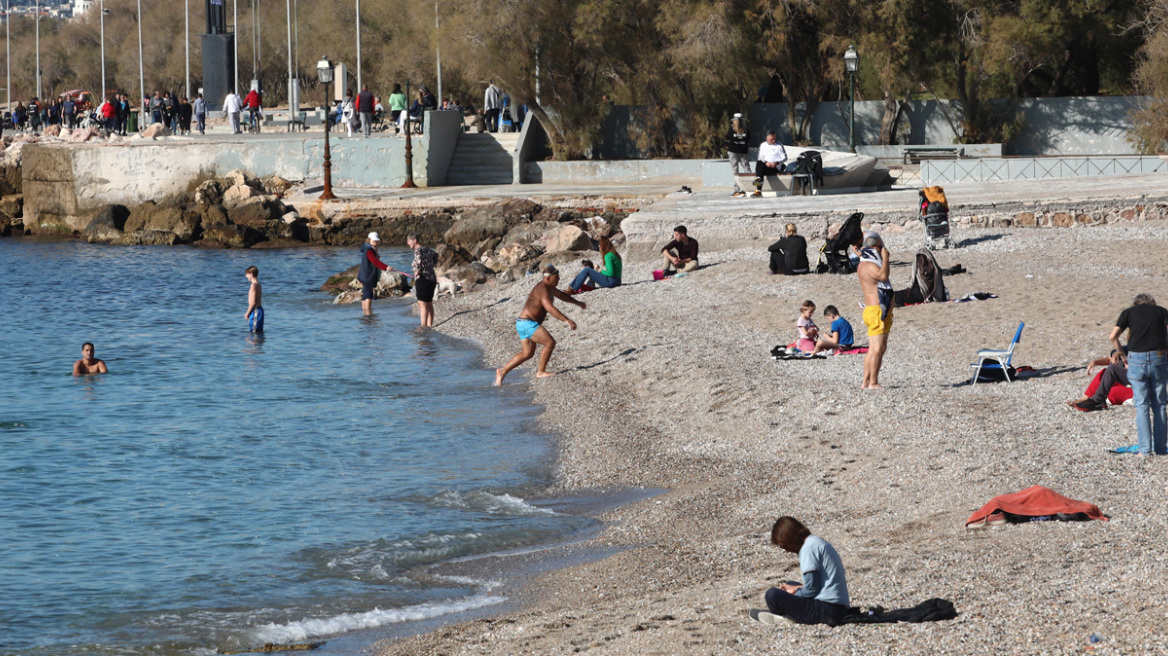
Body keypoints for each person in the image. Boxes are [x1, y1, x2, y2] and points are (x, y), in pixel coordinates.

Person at [494, 266, 584, 386]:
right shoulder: (543, 290)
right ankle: (540, 372)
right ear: (548, 278)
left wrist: (577, 302)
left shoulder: (549, 287)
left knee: (527, 354)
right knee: (549, 343)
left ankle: (502, 371)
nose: (559, 279)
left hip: (522, 323)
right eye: (556, 277)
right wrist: (566, 320)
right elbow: (550, 308)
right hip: (528, 323)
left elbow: (562, 295)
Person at [751, 516, 849, 626]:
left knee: (772, 595)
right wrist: (795, 589)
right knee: (790, 585)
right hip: (839, 608)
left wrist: (796, 593)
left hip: (827, 611)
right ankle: (786, 614)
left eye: (783, 546)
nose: (787, 551)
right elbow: (818, 585)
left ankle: (784, 617)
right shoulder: (815, 541)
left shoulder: (808, 549)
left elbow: (811, 591)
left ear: (789, 538)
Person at [1108, 294, 1168, 456]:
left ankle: (1145, 450)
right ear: (1152, 304)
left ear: (1135, 304)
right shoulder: (1162, 312)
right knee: (1160, 405)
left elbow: (1113, 336)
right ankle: (1161, 449)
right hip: (1159, 357)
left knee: (1142, 406)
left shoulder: (1128, 313)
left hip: (1137, 359)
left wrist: (1122, 354)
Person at [857, 231, 893, 390]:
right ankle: (873, 383)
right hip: (877, 311)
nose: (881, 250)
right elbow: (883, 275)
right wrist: (886, 258)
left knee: (876, 349)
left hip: (876, 311)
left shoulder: (864, 262)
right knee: (877, 349)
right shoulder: (869, 265)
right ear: (875, 248)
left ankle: (866, 382)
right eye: (880, 248)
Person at [358, 232, 400, 316]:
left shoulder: (369, 249)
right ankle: (368, 314)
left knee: (366, 293)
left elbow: (374, 260)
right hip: (367, 276)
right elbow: (374, 261)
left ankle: (365, 314)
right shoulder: (368, 250)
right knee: (368, 294)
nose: (376, 242)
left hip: (366, 275)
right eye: (374, 240)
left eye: (377, 241)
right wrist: (386, 267)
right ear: (369, 240)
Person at [408, 234, 439, 328]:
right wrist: (432, 265)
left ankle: (423, 325)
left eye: (409, 241)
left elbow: (419, 261)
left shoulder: (418, 251)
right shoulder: (427, 249)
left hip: (423, 279)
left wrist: (417, 271)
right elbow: (436, 255)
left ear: (415, 240)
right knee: (429, 302)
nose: (408, 243)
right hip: (431, 278)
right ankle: (429, 325)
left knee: (422, 303)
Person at [752, 130, 788, 197]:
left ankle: (758, 183)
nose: (773, 141)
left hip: (775, 167)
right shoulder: (763, 145)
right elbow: (760, 156)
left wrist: (777, 163)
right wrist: (766, 162)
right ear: (767, 139)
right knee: (759, 162)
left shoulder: (779, 145)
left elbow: (785, 157)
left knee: (760, 171)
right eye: (771, 139)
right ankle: (758, 188)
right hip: (766, 166)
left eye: (774, 139)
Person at [726, 113, 751, 197]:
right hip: (733, 152)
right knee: (735, 170)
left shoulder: (746, 130)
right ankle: (736, 189)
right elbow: (728, 138)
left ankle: (748, 188)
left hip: (743, 152)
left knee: (746, 169)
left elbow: (748, 139)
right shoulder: (731, 129)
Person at [244, 266, 264, 333]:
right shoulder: (258, 285)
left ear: (251, 274)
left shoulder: (253, 286)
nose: (246, 276)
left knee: (254, 333)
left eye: (247, 274)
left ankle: (253, 343)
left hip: (255, 311)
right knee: (257, 332)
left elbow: (253, 303)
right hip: (258, 310)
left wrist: (247, 313)